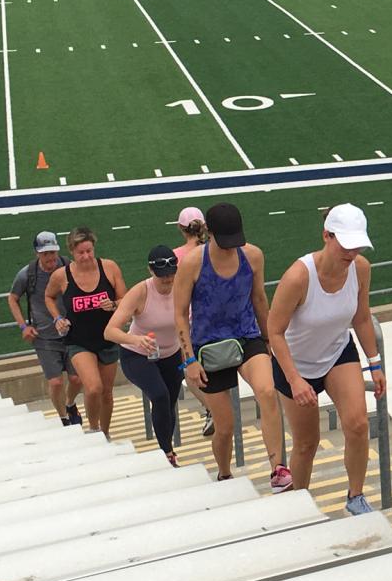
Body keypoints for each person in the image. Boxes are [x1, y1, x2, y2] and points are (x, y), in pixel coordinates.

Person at [268, 204, 385, 516]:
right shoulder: (298, 277)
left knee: (358, 424)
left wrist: (374, 363)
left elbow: (361, 317)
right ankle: (299, 507)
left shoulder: (361, 268)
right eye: (345, 244)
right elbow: (274, 331)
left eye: (357, 245)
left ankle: (355, 497)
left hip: (336, 352)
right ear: (326, 236)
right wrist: (295, 380)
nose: (351, 253)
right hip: (295, 362)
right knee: (307, 443)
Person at [172, 202, 291, 489]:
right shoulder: (192, 263)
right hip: (208, 346)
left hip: (247, 335)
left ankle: (278, 468)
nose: (230, 248)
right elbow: (179, 313)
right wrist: (189, 360)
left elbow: (259, 299)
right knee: (225, 426)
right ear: (209, 233)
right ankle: (224, 473)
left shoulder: (253, 256)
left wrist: (269, 339)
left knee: (267, 391)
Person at [104, 246, 185, 467]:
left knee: (169, 402)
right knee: (159, 395)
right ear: (151, 271)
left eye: (171, 275)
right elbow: (110, 331)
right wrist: (135, 340)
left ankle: (167, 447)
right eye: (162, 276)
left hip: (171, 353)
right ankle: (167, 452)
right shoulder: (141, 292)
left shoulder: (182, 287)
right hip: (137, 355)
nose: (167, 280)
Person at [44, 227, 127, 439]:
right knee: (93, 388)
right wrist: (57, 318)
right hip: (78, 340)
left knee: (106, 392)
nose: (86, 256)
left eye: (89, 251)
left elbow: (124, 300)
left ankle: (105, 433)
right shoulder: (61, 276)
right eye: (81, 252)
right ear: (72, 252)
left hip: (107, 337)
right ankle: (94, 428)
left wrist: (113, 304)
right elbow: (49, 297)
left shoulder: (109, 268)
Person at [8, 231, 83, 427]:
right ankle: (64, 418)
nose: (50, 258)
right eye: (45, 253)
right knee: (55, 382)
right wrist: (24, 326)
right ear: (37, 253)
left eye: (52, 252)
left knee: (77, 379)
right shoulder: (27, 274)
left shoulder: (68, 267)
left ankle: (70, 404)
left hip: (72, 333)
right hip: (45, 337)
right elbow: (13, 299)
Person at [173, 206, 215, 438]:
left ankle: (213, 409)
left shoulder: (176, 256)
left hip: (189, 322)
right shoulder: (213, 251)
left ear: (181, 228)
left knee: (190, 371)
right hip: (215, 317)